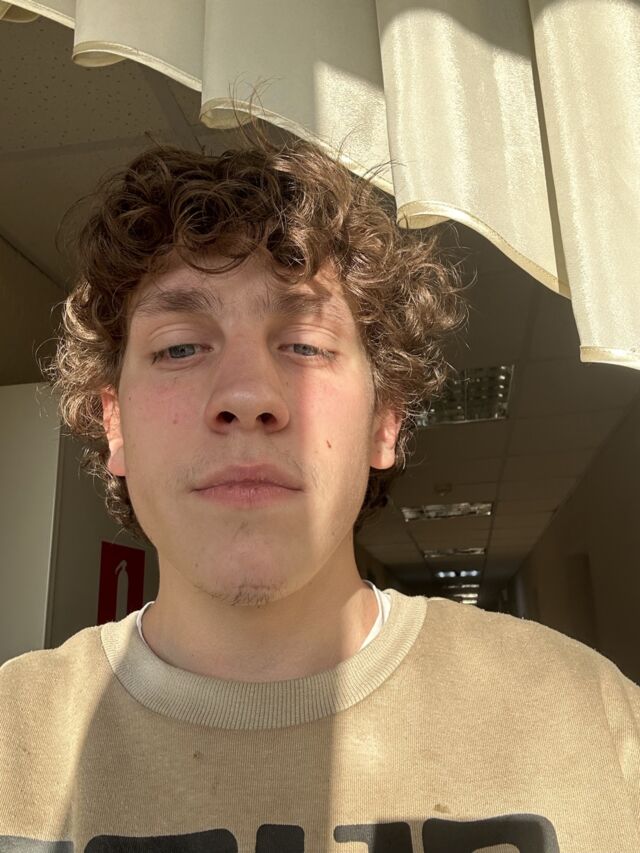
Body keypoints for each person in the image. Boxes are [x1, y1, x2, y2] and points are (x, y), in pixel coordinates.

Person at [0, 128, 638, 853]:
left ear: (384, 420)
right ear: (114, 423)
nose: (246, 397)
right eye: (179, 346)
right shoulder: (13, 739)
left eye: (305, 344)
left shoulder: (591, 722)